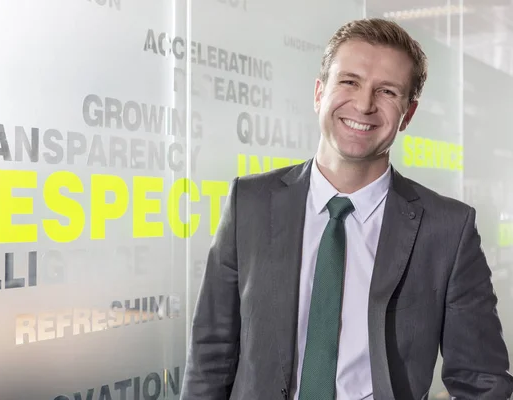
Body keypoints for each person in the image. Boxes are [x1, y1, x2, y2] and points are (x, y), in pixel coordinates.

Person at [180, 17, 513, 400]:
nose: (364, 103)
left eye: (387, 91)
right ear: (320, 93)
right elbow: (211, 356)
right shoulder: (250, 203)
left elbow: (482, 382)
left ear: (408, 114)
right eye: (349, 81)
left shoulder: (449, 230)